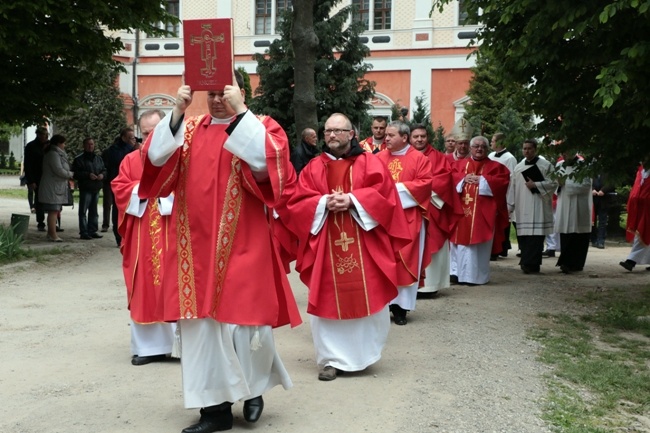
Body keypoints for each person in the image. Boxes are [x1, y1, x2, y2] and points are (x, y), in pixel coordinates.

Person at [138, 71, 301, 433]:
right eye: (210, 93)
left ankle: (254, 392)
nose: (216, 99)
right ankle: (214, 410)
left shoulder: (260, 125)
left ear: (241, 92)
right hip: (193, 246)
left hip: (244, 241)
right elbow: (152, 161)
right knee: (202, 330)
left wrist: (241, 113)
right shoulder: (190, 128)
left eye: (224, 92)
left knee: (244, 324)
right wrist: (176, 112)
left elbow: (272, 168)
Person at [287, 113, 410, 381]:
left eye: (338, 131)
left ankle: (362, 355)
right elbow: (298, 202)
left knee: (370, 292)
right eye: (328, 131)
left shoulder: (371, 164)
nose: (332, 135)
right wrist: (322, 203)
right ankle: (331, 359)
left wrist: (354, 200)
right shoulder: (313, 168)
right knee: (327, 300)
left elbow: (386, 197)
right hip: (326, 245)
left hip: (364, 243)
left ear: (351, 134)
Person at [112, 109, 177, 366]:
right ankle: (149, 348)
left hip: (174, 232)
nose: (150, 138)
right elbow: (119, 187)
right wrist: (144, 189)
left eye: (156, 132)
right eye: (146, 133)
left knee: (176, 283)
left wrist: (166, 193)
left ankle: (181, 347)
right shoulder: (130, 160)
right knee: (144, 285)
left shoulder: (181, 157)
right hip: (142, 236)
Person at [377, 121, 433, 325]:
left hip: (409, 218)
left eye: (391, 135)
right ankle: (384, 304)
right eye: (386, 135)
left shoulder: (419, 159)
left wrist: (393, 190)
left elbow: (425, 185)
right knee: (384, 260)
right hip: (384, 218)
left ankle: (401, 308)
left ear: (404, 137)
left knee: (406, 261)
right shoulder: (378, 157)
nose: (386, 138)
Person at [449, 136, 510, 285]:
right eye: (476, 146)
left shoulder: (497, 167)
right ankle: (455, 273)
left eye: (483, 146)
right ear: (470, 148)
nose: (479, 149)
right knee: (458, 243)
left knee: (478, 245)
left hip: (482, 214)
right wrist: (463, 179)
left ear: (487, 149)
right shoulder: (459, 165)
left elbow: (502, 182)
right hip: (460, 212)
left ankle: (475, 277)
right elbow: (448, 178)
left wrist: (483, 180)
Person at [410, 125, 462, 296]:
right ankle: (408, 284)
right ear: (409, 137)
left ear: (428, 137)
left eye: (422, 136)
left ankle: (429, 286)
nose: (419, 139)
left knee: (431, 242)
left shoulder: (438, 158)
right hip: (408, 209)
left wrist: (419, 191)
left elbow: (445, 180)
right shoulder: (404, 157)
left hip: (431, 208)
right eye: (416, 136)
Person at [508, 139, 557, 274]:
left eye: (529, 148)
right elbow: (512, 188)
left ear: (535, 149)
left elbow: (553, 183)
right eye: (524, 148)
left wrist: (536, 185)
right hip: (522, 206)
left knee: (535, 238)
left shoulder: (546, 165)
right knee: (523, 237)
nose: (527, 151)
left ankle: (533, 265)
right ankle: (525, 261)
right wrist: (510, 206)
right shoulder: (518, 167)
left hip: (538, 206)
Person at [554, 150, 592, 274]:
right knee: (566, 232)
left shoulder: (583, 165)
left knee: (578, 234)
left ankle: (577, 263)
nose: (564, 154)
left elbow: (586, 185)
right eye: (563, 152)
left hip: (579, 204)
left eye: (567, 152)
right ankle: (565, 263)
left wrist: (566, 183)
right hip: (564, 202)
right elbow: (555, 183)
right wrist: (558, 184)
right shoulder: (560, 165)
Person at [103, 127, 136, 246]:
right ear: (124, 138)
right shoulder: (115, 150)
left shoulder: (130, 148)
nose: (133, 140)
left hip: (129, 182)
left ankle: (127, 236)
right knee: (118, 209)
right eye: (130, 138)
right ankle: (119, 237)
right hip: (118, 182)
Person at [38, 135, 74, 242]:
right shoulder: (53, 154)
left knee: (54, 210)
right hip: (52, 187)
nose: (64, 145)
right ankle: (53, 234)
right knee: (53, 211)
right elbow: (58, 170)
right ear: (58, 143)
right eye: (63, 143)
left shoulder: (58, 154)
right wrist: (70, 174)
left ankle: (51, 233)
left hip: (56, 186)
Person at [619, 156, 650, 272]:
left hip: (648, 206)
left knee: (643, 232)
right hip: (642, 206)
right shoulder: (641, 171)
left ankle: (631, 261)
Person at [489, 132, 517, 258]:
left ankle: (502, 248)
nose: (491, 143)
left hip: (504, 194)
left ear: (500, 143)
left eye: (493, 141)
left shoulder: (509, 158)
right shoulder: (490, 155)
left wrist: (510, 198)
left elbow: (511, 178)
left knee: (502, 221)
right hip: (490, 193)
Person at [72, 138, 106, 240]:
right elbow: (75, 173)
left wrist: (102, 175)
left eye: (92, 144)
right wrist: (87, 175)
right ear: (84, 146)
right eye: (88, 144)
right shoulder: (79, 159)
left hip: (96, 187)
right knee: (83, 211)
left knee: (94, 211)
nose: (90, 146)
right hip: (86, 187)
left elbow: (104, 170)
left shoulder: (98, 158)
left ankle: (92, 230)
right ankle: (84, 232)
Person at [23, 126, 49, 231]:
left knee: (51, 200)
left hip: (48, 176)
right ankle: (41, 222)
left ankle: (53, 222)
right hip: (37, 176)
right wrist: (31, 180)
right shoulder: (31, 146)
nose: (45, 137)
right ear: (38, 135)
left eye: (46, 135)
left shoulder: (49, 145)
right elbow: (28, 165)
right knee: (39, 200)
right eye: (43, 135)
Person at [590, 172, 615, 249]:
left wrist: (603, 190)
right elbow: (586, 182)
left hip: (604, 200)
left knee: (602, 222)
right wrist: (592, 190)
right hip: (593, 200)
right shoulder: (591, 171)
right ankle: (593, 239)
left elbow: (611, 183)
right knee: (592, 221)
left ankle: (601, 240)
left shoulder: (608, 171)